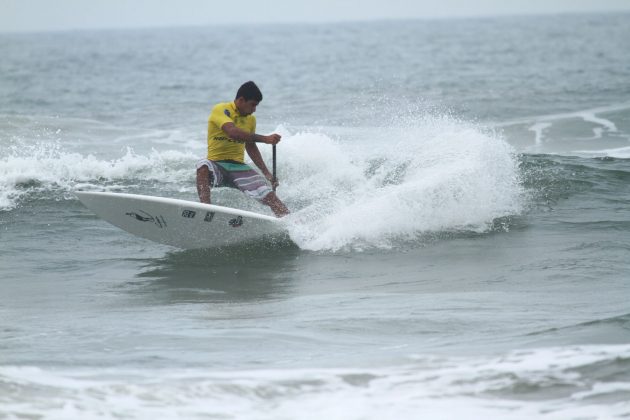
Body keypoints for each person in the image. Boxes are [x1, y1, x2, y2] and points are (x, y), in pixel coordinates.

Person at [196, 81, 290, 217]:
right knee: (202, 166)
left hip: (237, 167)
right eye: (252, 105)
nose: (254, 109)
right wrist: (265, 139)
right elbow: (232, 132)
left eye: (256, 106)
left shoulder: (251, 120)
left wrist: (266, 173)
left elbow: (250, 145)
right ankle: (206, 211)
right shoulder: (221, 109)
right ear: (241, 100)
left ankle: (290, 222)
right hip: (216, 164)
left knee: (269, 195)